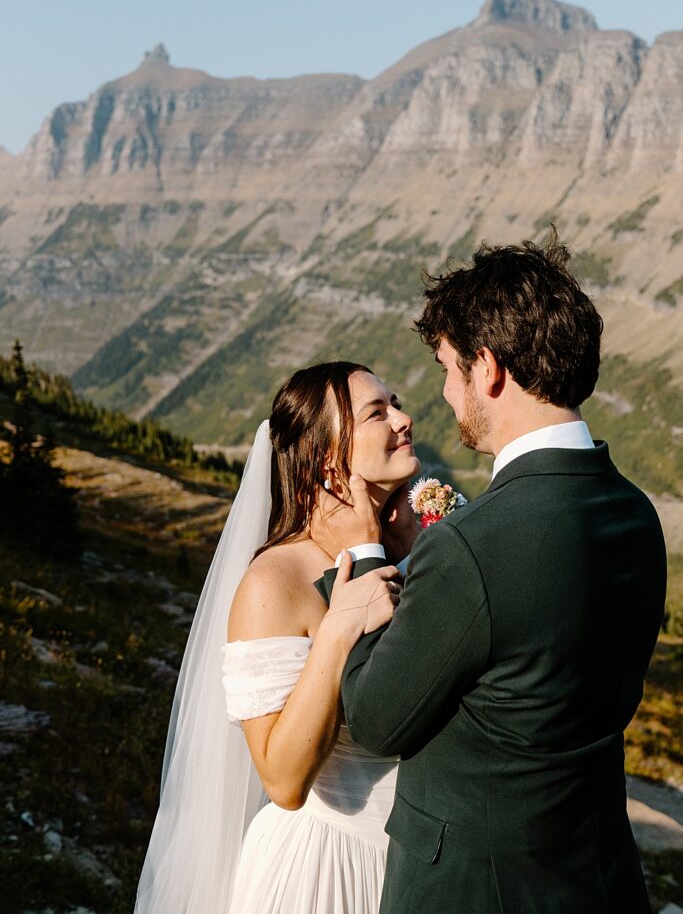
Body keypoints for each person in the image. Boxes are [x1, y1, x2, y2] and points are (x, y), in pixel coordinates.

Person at [314, 237, 667, 913]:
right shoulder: (633, 513)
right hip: (594, 878)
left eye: (449, 369)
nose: (444, 394)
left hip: (473, 890)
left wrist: (361, 556)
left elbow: (377, 719)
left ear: (488, 367)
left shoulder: (472, 546)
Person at [134, 361, 420, 914]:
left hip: (420, 864)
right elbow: (284, 780)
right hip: (330, 872)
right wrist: (338, 630)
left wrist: (411, 549)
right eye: (376, 413)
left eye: (395, 403)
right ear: (325, 457)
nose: (404, 420)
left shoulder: (407, 549)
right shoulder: (276, 581)